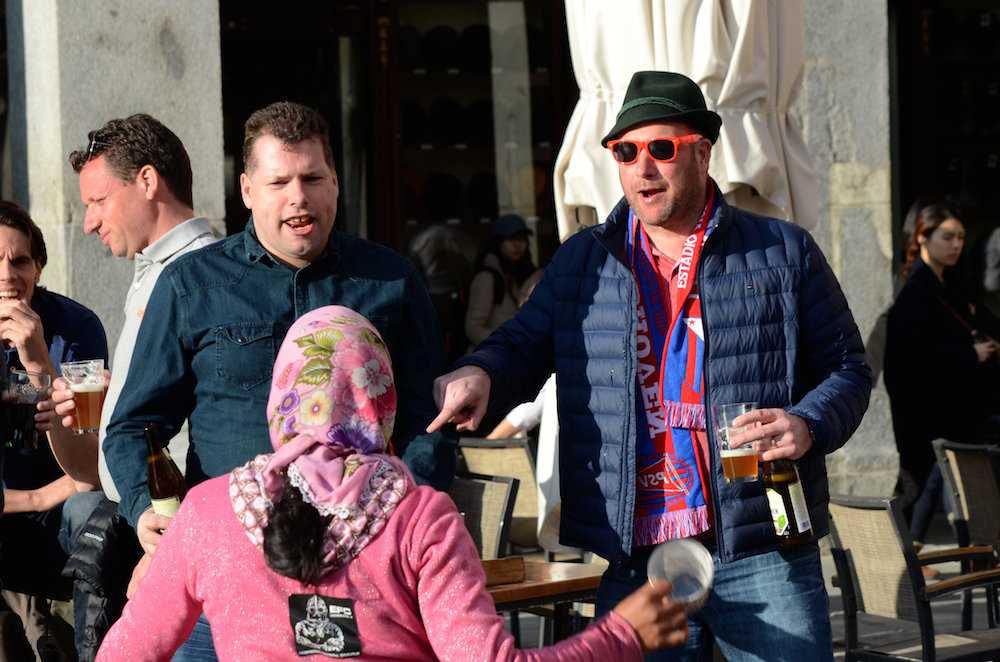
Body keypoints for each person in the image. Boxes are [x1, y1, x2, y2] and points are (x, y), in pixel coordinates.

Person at [429, 70, 872, 661]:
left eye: (662, 148)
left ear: (702, 151)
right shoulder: (584, 259)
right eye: (626, 151)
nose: (644, 167)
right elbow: (521, 344)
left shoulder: (783, 251)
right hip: (638, 559)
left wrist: (808, 425)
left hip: (762, 546)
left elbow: (848, 367)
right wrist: (481, 372)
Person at [96, 305, 690, 661]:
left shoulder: (207, 514)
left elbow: (127, 652)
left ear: (281, 396)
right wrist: (618, 635)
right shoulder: (419, 517)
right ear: (380, 399)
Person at [101, 101, 455, 658]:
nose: (298, 196)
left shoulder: (391, 280)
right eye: (279, 181)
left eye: (312, 178)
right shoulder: (191, 285)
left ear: (335, 183)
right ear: (247, 191)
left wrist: (401, 513)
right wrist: (149, 511)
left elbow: (426, 424)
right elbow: (133, 426)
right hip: (222, 580)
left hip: (363, 579)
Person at [0, 200, 109, 660]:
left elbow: (95, 464)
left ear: (39, 266)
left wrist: (37, 358)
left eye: (19, 260)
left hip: (61, 508)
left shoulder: (76, 328)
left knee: (96, 514)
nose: (8, 275)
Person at [884, 200, 1000, 553]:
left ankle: (915, 553)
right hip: (925, 411)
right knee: (919, 484)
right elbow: (911, 358)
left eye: (961, 237)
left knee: (932, 483)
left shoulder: (949, 284)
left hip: (951, 408)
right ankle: (899, 556)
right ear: (922, 238)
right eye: (947, 237)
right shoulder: (916, 291)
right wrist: (970, 354)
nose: (955, 245)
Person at [464, 214, 537, 349]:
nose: (517, 244)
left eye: (521, 239)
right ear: (498, 242)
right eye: (511, 239)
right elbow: (473, 327)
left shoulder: (520, 275)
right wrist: (504, 345)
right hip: (491, 359)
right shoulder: (487, 277)